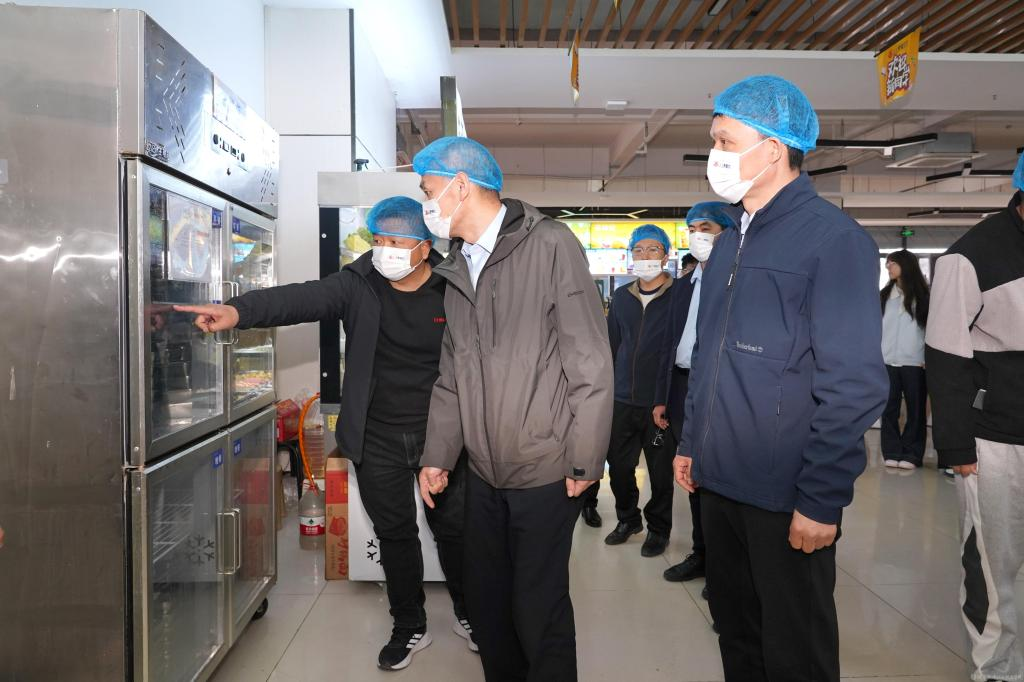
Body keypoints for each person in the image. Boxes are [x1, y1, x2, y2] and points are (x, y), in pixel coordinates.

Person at [175, 197, 473, 673]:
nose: (384, 250)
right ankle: (409, 623)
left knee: (455, 529)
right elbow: (299, 298)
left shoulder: (453, 286)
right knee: (395, 533)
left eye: (396, 242)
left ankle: (470, 611)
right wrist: (236, 310)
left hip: (442, 434)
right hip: (376, 434)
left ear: (424, 247)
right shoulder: (358, 284)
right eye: (378, 239)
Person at [676, 75, 888, 682]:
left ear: (772, 148)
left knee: (795, 650)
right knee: (737, 635)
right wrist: (692, 443)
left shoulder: (834, 242)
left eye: (725, 140)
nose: (714, 153)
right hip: (719, 484)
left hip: (786, 492)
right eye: (714, 140)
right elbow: (709, 357)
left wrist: (822, 496)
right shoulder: (728, 244)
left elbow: (853, 385)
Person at [414, 136, 613, 682]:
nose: (427, 204)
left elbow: (590, 359)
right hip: (482, 472)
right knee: (488, 606)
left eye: (429, 191)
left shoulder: (549, 244)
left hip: (545, 468)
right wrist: (438, 455)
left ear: (460, 186)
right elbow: (452, 375)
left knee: (537, 608)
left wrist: (586, 458)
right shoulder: (458, 266)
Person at [925, 149, 1024, 682]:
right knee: (994, 564)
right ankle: (997, 671)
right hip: (996, 441)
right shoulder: (970, 256)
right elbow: (945, 356)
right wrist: (956, 446)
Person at [659, 202, 735, 589]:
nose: (697, 236)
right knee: (690, 474)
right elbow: (669, 343)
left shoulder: (737, 280)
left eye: (705, 228)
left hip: (721, 388)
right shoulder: (684, 285)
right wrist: (662, 397)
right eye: (691, 229)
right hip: (682, 385)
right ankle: (702, 553)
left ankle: (724, 566)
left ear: (728, 232)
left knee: (719, 478)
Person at [590, 224, 677, 558]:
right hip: (622, 398)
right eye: (638, 250)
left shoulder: (679, 297)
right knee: (619, 467)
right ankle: (628, 519)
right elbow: (611, 346)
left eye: (653, 249)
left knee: (660, 473)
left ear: (666, 256)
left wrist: (666, 398)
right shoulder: (623, 298)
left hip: (660, 402)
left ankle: (659, 529)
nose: (645, 255)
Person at [879, 250, 930, 471]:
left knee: (915, 410)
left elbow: (930, 330)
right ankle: (891, 451)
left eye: (892, 263)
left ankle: (912, 453)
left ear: (906, 265)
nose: (888, 266)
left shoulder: (924, 297)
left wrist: (927, 357)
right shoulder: (883, 296)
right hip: (886, 361)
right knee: (888, 409)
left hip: (915, 362)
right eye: (887, 263)